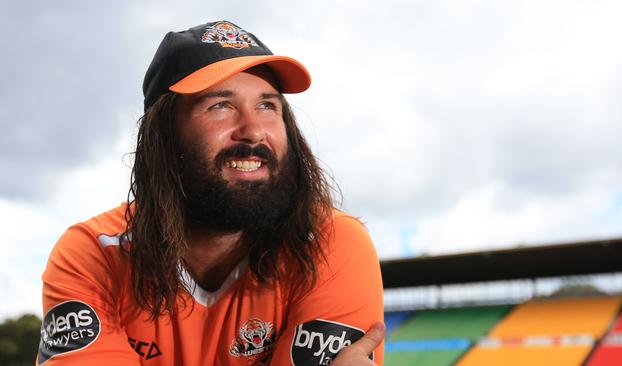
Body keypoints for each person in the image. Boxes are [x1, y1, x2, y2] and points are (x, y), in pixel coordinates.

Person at [37, 20, 384, 366]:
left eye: (267, 106)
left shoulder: (328, 241)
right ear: (163, 137)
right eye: (221, 106)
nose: (253, 132)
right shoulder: (93, 254)